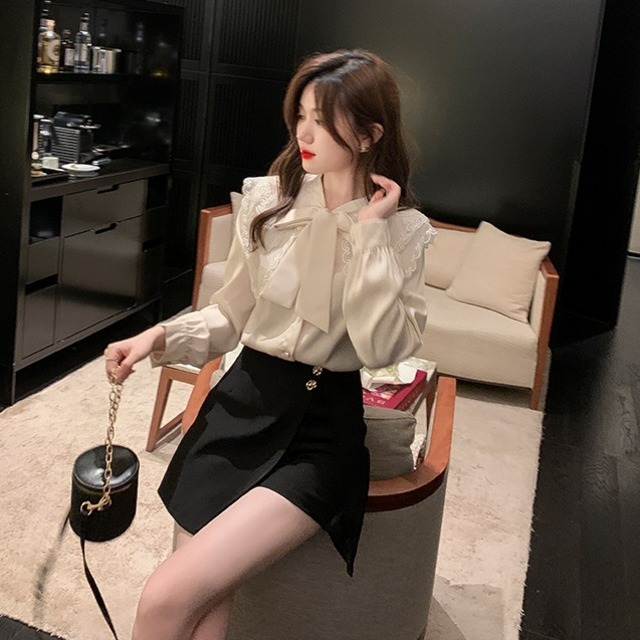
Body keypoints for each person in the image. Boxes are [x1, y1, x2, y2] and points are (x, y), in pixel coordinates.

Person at [104, 48, 435, 640]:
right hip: (239, 405)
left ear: (368, 133)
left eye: (321, 120)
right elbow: (230, 315)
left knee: (164, 598)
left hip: (319, 430)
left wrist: (369, 235)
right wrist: (158, 336)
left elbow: (383, 348)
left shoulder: (403, 231)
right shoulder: (266, 201)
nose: (303, 133)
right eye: (300, 115)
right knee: (203, 612)